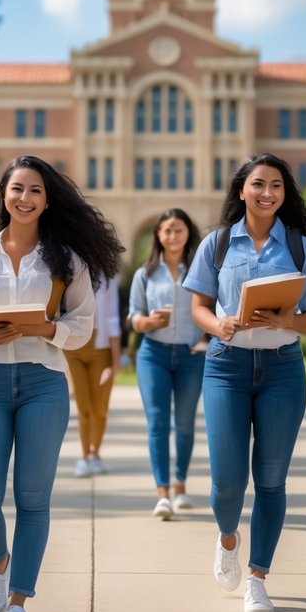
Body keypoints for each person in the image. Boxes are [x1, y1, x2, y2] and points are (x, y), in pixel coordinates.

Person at [0, 155, 123, 612]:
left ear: (48, 201)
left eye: (36, 191)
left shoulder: (66, 259)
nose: (25, 198)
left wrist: (48, 328)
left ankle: (20, 601)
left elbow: (82, 324)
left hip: (43, 383)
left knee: (32, 499)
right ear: (3, 193)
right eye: (17, 189)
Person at [184, 152, 306, 612]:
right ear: (242, 190)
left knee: (270, 480)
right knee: (228, 481)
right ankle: (228, 537)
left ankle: (258, 578)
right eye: (259, 184)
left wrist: (291, 318)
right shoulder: (218, 244)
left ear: (285, 195)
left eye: (277, 186)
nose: (267, 193)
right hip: (226, 367)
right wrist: (219, 325)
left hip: (284, 369)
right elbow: (199, 308)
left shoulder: (300, 246)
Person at [128, 208, 205, 519]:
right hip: (153, 354)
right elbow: (133, 316)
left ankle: (181, 485)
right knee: (158, 423)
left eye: (179, 230)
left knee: (185, 424)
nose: (173, 236)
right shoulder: (144, 274)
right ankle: (162, 493)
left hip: (191, 355)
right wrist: (145, 322)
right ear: (157, 235)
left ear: (188, 234)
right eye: (167, 230)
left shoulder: (201, 272)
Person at [64, 268, 122, 478]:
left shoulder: (108, 277)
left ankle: (95, 453)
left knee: (100, 407)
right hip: (73, 346)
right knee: (83, 407)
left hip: (101, 346)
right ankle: (84, 456)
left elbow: (113, 318)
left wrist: (115, 362)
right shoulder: (68, 271)